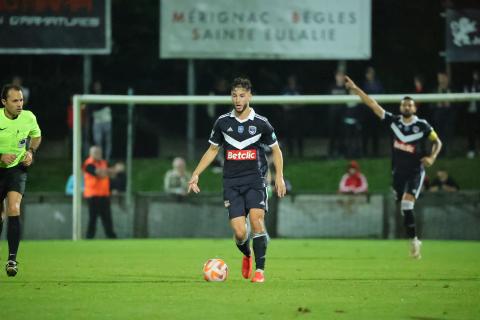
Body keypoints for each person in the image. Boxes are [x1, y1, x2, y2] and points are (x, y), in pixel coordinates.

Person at [188, 77, 286, 283]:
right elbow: (212, 149)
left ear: (249, 96)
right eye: (234, 95)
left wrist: (280, 177)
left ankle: (260, 272)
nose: (238, 99)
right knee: (240, 233)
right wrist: (196, 173)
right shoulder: (223, 122)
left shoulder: (261, 123)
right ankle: (247, 254)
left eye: (242, 95)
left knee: (257, 221)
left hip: (256, 180)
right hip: (231, 182)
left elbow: (276, 150)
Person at [345, 76, 442, 259]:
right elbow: (373, 105)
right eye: (404, 105)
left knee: (406, 204)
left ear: (415, 107)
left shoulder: (422, 126)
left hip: (415, 171)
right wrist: (356, 89)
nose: (407, 107)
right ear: (400, 107)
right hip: (398, 172)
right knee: (401, 201)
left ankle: (414, 241)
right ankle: (411, 232)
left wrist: (432, 157)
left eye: (410, 105)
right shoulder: (394, 122)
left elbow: (437, 142)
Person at [0, 83, 42, 276]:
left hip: (17, 169)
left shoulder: (28, 117)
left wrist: (31, 152)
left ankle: (12, 260)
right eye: (15, 100)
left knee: (14, 208)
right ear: (4, 102)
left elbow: (36, 136)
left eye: (21, 100)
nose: (19, 104)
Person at [83, 146, 117, 239]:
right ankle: (89, 237)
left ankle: (111, 237)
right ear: (91, 154)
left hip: (104, 195)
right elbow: (100, 175)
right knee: (93, 219)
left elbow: (114, 173)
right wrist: (107, 172)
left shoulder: (104, 162)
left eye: (99, 152)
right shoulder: (88, 164)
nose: (98, 155)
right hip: (92, 196)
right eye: (96, 153)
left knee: (107, 219)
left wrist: (104, 171)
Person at [361, 67, 384, 157]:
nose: (370, 75)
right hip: (366, 112)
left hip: (375, 112)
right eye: (368, 73)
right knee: (365, 133)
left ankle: (375, 152)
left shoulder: (378, 85)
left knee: (375, 133)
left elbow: (382, 96)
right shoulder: (364, 85)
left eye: (371, 73)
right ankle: (364, 152)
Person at [90, 81, 112, 162]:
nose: (97, 87)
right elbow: (92, 107)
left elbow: (106, 104)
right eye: (95, 85)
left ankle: (107, 159)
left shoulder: (105, 93)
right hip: (97, 121)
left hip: (106, 120)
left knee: (108, 141)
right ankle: (99, 159)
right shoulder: (91, 95)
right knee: (98, 141)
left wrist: (99, 105)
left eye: (98, 85)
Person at [328, 70, 348, 158]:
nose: (340, 78)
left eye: (341, 76)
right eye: (338, 76)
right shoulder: (331, 87)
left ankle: (342, 154)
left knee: (342, 135)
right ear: (336, 77)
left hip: (343, 115)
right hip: (333, 115)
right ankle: (330, 154)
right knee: (332, 135)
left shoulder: (346, 88)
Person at [464, 70, 480, 159]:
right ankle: (471, 150)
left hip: (478, 113)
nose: (475, 77)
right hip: (469, 113)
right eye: (474, 75)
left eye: (477, 75)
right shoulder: (467, 86)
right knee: (470, 132)